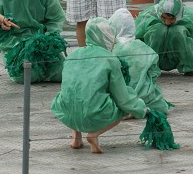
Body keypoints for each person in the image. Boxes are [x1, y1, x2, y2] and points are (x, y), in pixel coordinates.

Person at [50, 18, 147, 154]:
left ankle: (76, 138)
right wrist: (140, 109)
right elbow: (123, 98)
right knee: (122, 107)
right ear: (106, 36)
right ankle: (94, 134)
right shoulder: (110, 59)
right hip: (93, 115)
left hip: (66, 113)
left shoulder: (74, 54)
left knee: (74, 95)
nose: (114, 41)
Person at [134, 0, 193, 75]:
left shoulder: (191, 18)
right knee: (158, 29)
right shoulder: (147, 16)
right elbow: (135, 43)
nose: (167, 22)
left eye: (172, 19)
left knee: (178, 31)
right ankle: (149, 67)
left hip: (178, 58)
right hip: (153, 58)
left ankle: (190, 67)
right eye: (164, 18)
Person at [108, 8, 170, 114]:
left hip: (122, 96)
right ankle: (142, 108)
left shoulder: (113, 50)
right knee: (159, 104)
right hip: (146, 95)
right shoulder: (143, 47)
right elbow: (154, 72)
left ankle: (130, 109)